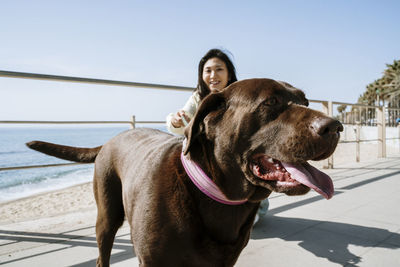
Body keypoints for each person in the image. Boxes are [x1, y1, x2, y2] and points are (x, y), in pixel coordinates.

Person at [166, 48, 268, 224]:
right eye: (208, 70)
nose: (213, 75)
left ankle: (254, 207)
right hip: (214, 157)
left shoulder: (241, 95)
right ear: (202, 75)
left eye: (219, 69)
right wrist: (175, 121)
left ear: (229, 74)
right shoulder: (198, 98)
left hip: (239, 154)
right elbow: (183, 118)